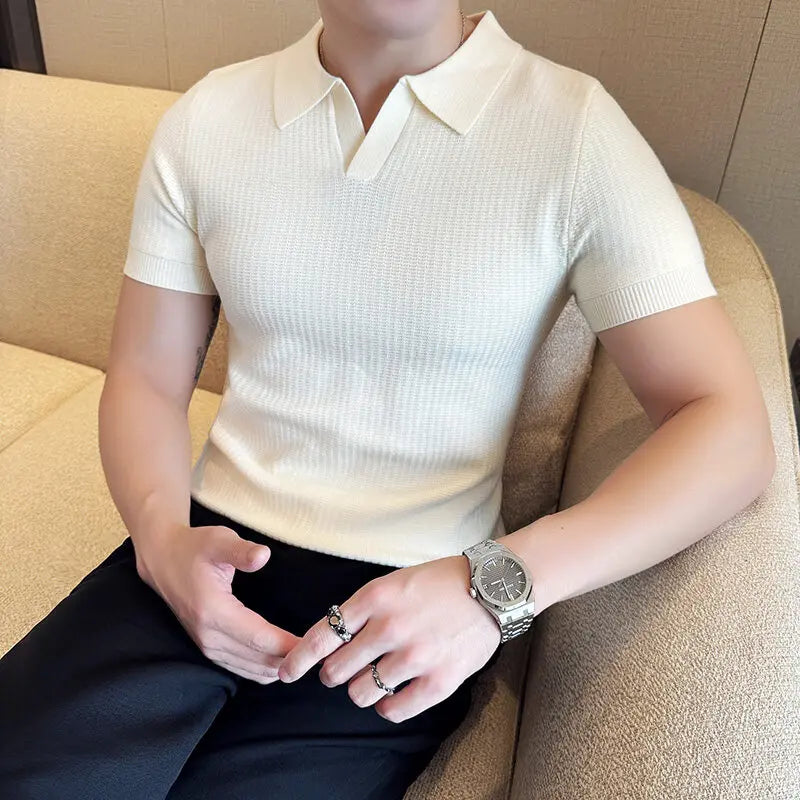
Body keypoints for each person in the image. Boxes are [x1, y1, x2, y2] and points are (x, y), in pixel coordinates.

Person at [0, 1, 775, 798]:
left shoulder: (573, 131)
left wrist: (497, 586)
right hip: (199, 557)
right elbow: (146, 374)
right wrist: (159, 538)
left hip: (409, 601)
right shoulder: (209, 119)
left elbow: (729, 426)